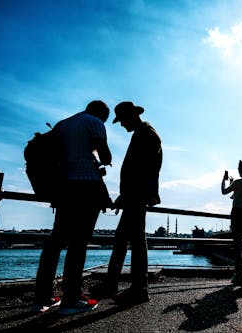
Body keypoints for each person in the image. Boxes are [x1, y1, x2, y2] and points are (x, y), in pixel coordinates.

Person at [33, 100, 113, 314]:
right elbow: (106, 156)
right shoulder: (94, 122)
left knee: (55, 241)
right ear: (102, 113)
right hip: (87, 186)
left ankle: (42, 296)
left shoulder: (63, 124)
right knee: (79, 244)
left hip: (63, 187)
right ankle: (71, 298)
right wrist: (99, 156)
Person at [93, 101, 162, 305]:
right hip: (135, 195)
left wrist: (128, 195)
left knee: (134, 241)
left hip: (136, 195)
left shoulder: (146, 135)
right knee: (125, 238)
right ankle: (115, 284)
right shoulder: (144, 133)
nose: (121, 125)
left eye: (122, 120)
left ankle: (138, 289)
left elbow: (142, 170)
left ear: (131, 115)